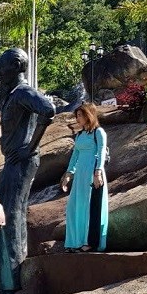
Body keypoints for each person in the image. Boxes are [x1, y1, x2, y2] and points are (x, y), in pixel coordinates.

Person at [0, 48, 56, 293]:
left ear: (17, 65)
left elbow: (48, 110)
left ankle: (12, 282)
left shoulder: (23, 92)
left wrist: (30, 147)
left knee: (12, 214)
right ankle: (11, 278)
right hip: (12, 160)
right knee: (9, 214)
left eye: (2, 66)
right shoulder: (12, 94)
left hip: (21, 160)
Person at [61, 103, 109, 252]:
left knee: (90, 207)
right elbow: (75, 155)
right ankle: (74, 242)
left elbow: (101, 152)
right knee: (74, 207)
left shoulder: (98, 132)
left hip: (92, 173)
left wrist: (98, 173)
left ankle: (89, 242)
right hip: (80, 175)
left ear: (89, 115)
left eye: (80, 115)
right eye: (76, 115)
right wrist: (69, 174)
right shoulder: (79, 135)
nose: (77, 118)